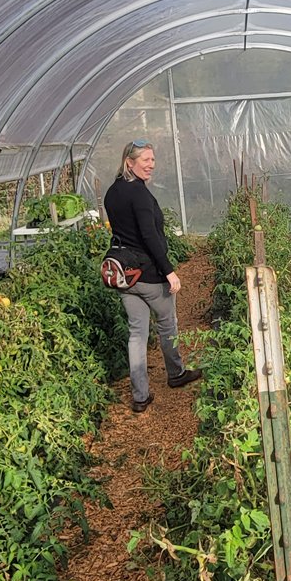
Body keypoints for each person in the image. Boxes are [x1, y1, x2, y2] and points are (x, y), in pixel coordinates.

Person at [104, 140, 202, 412]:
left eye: (153, 160)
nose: (151, 165)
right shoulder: (140, 194)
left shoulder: (113, 192)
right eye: (146, 160)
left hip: (125, 276)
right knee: (167, 324)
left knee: (137, 333)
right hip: (148, 274)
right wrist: (169, 271)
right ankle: (176, 373)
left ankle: (140, 395)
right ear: (129, 162)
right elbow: (148, 236)